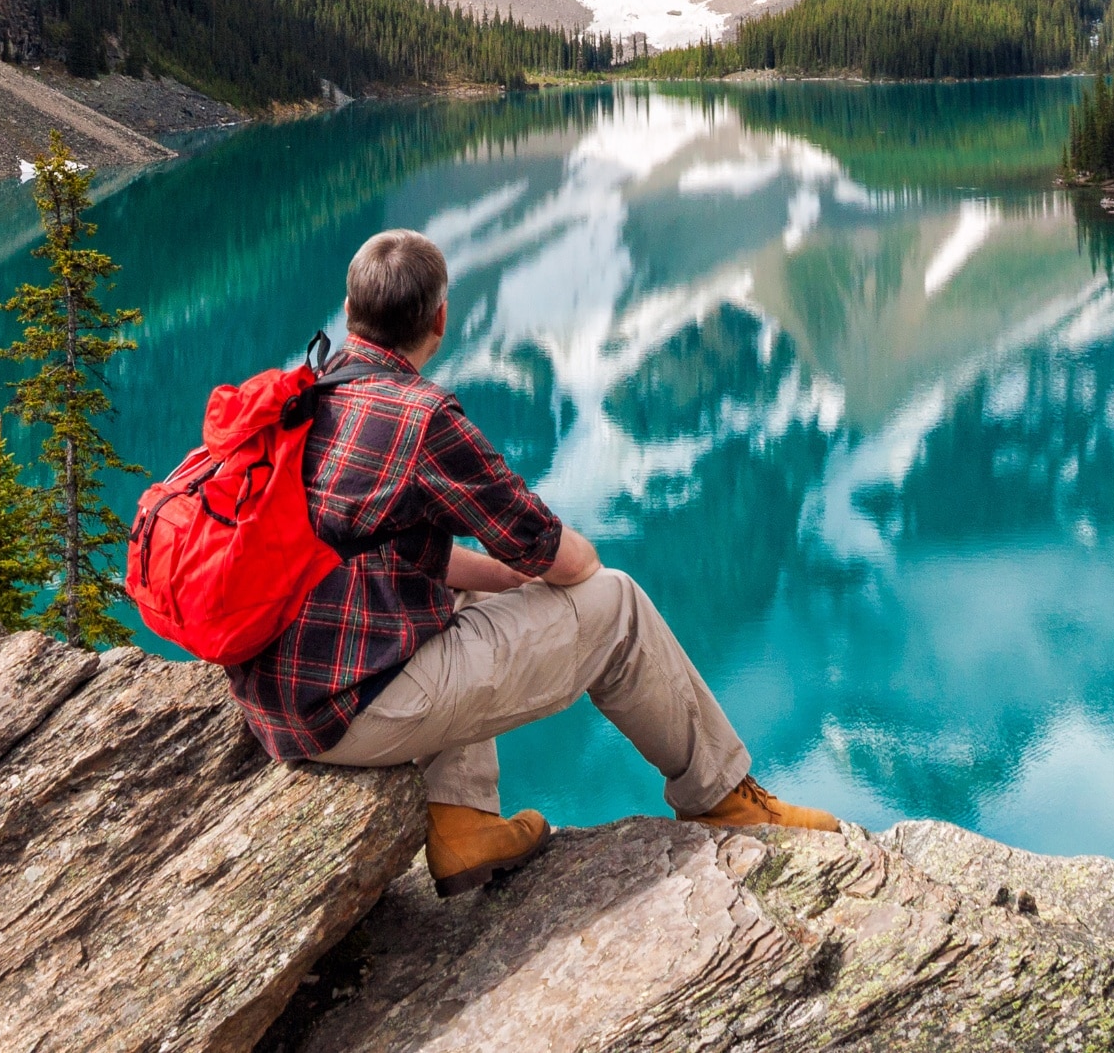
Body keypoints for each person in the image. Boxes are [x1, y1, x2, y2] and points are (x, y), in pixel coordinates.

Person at [225, 229, 836, 897]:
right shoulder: (421, 417)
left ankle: (462, 824)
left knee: (472, 599)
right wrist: (561, 571)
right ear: (439, 319)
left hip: (277, 698)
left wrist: (501, 579)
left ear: (348, 313)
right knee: (620, 604)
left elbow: (374, 554)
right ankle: (721, 797)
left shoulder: (310, 396)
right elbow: (555, 553)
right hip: (350, 713)